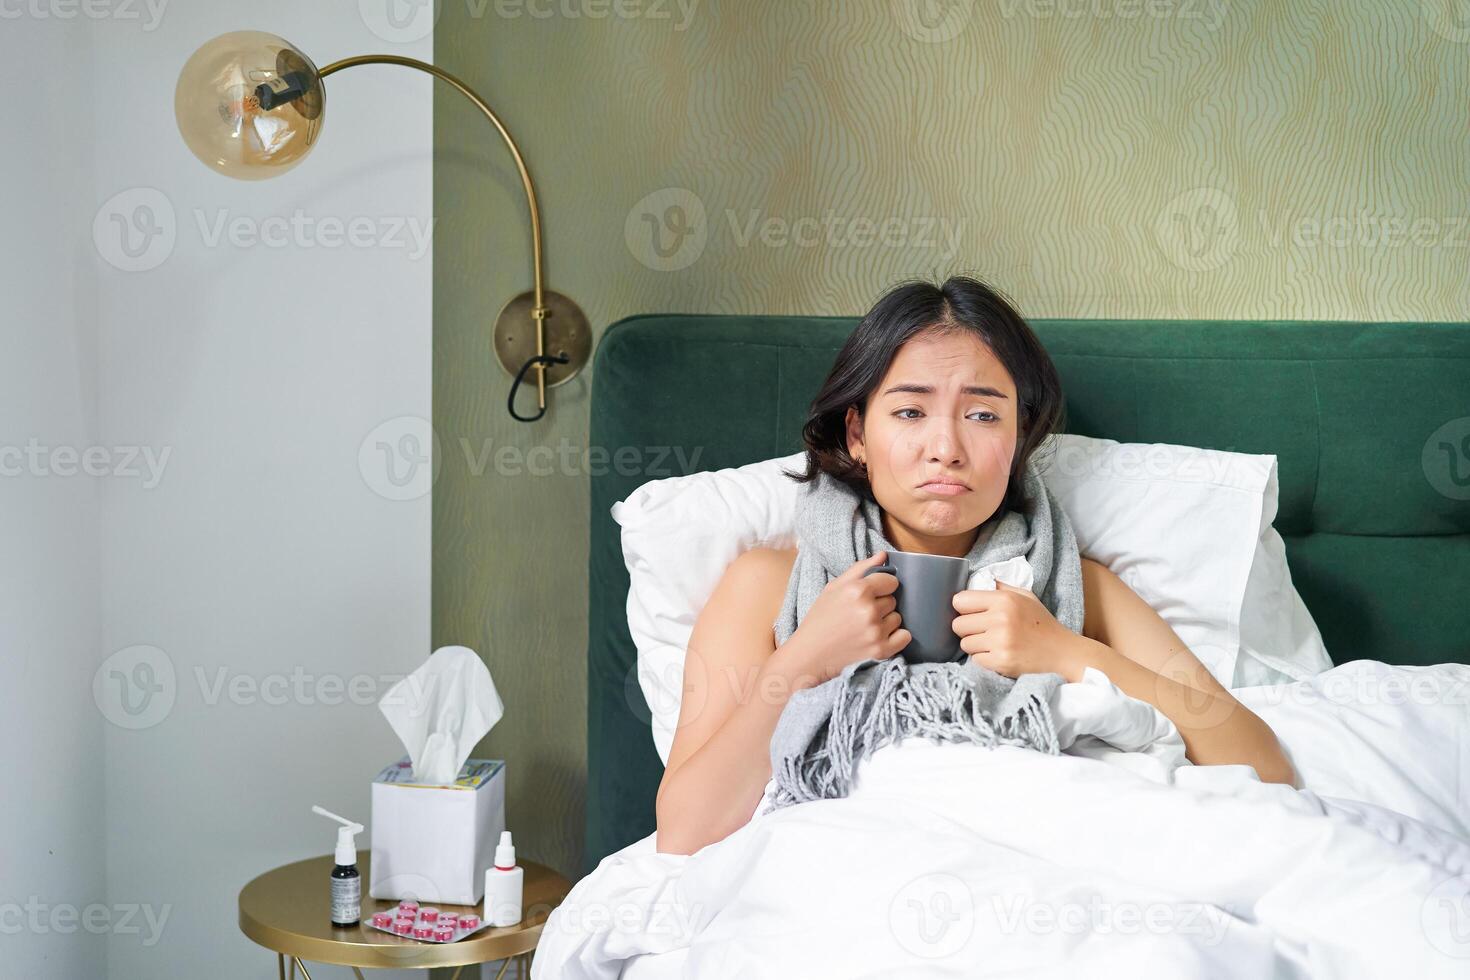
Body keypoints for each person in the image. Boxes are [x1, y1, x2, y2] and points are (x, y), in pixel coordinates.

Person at [654, 276, 1296, 857]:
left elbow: (1262, 764)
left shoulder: (1078, 589)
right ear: (857, 435)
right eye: (910, 411)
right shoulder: (765, 586)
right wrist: (807, 658)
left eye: (984, 415)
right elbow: (684, 832)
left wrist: (1064, 652)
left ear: (1017, 438)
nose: (947, 449)